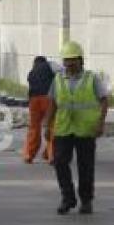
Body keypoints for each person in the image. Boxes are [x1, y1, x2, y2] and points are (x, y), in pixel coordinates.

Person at [44, 41, 109, 215]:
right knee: (59, 162)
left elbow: (104, 100)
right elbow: (52, 102)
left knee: (85, 167)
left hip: (86, 130)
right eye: (67, 60)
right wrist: (47, 124)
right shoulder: (57, 79)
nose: (70, 63)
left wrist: (100, 123)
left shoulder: (91, 78)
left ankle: (86, 201)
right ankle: (68, 198)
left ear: (81, 60)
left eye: (73, 60)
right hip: (64, 128)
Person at [23, 55, 55, 164]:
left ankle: (28, 154)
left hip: (34, 100)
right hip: (48, 99)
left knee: (34, 128)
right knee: (52, 126)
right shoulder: (50, 65)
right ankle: (52, 156)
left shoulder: (32, 71)